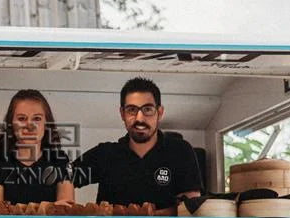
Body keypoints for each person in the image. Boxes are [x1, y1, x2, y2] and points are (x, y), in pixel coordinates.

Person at [74, 77, 203, 207]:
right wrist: (65, 207)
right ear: (122, 113)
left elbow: (190, 208)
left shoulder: (180, 151)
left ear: (160, 112)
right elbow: (65, 175)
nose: (139, 118)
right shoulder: (105, 154)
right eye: (131, 110)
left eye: (147, 109)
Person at [0, 89, 75, 204]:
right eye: (22, 119)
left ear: (47, 123)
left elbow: (66, 207)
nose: (30, 126)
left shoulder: (59, 159)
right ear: (11, 123)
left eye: (37, 119)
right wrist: (48, 208)